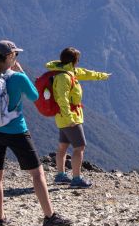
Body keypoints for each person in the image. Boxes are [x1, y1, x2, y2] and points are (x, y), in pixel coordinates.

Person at [0, 40, 72, 226]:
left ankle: (1, 220)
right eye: (16, 54)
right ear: (10, 57)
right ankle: (49, 216)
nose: (17, 57)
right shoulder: (17, 78)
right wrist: (21, 72)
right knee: (37, 173)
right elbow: (34, 96)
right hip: (16, 131)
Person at [46, 46, 110, 188]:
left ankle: (61, 175)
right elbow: (62, 98)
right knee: (79, 147)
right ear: (74, 61)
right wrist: (70, 118)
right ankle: (76, 179)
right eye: (78, 60)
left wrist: (102, 75)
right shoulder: (64, 77)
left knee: (63, 146)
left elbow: (85, 73)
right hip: (70, 118)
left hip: (63, 117)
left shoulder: (67, 72)